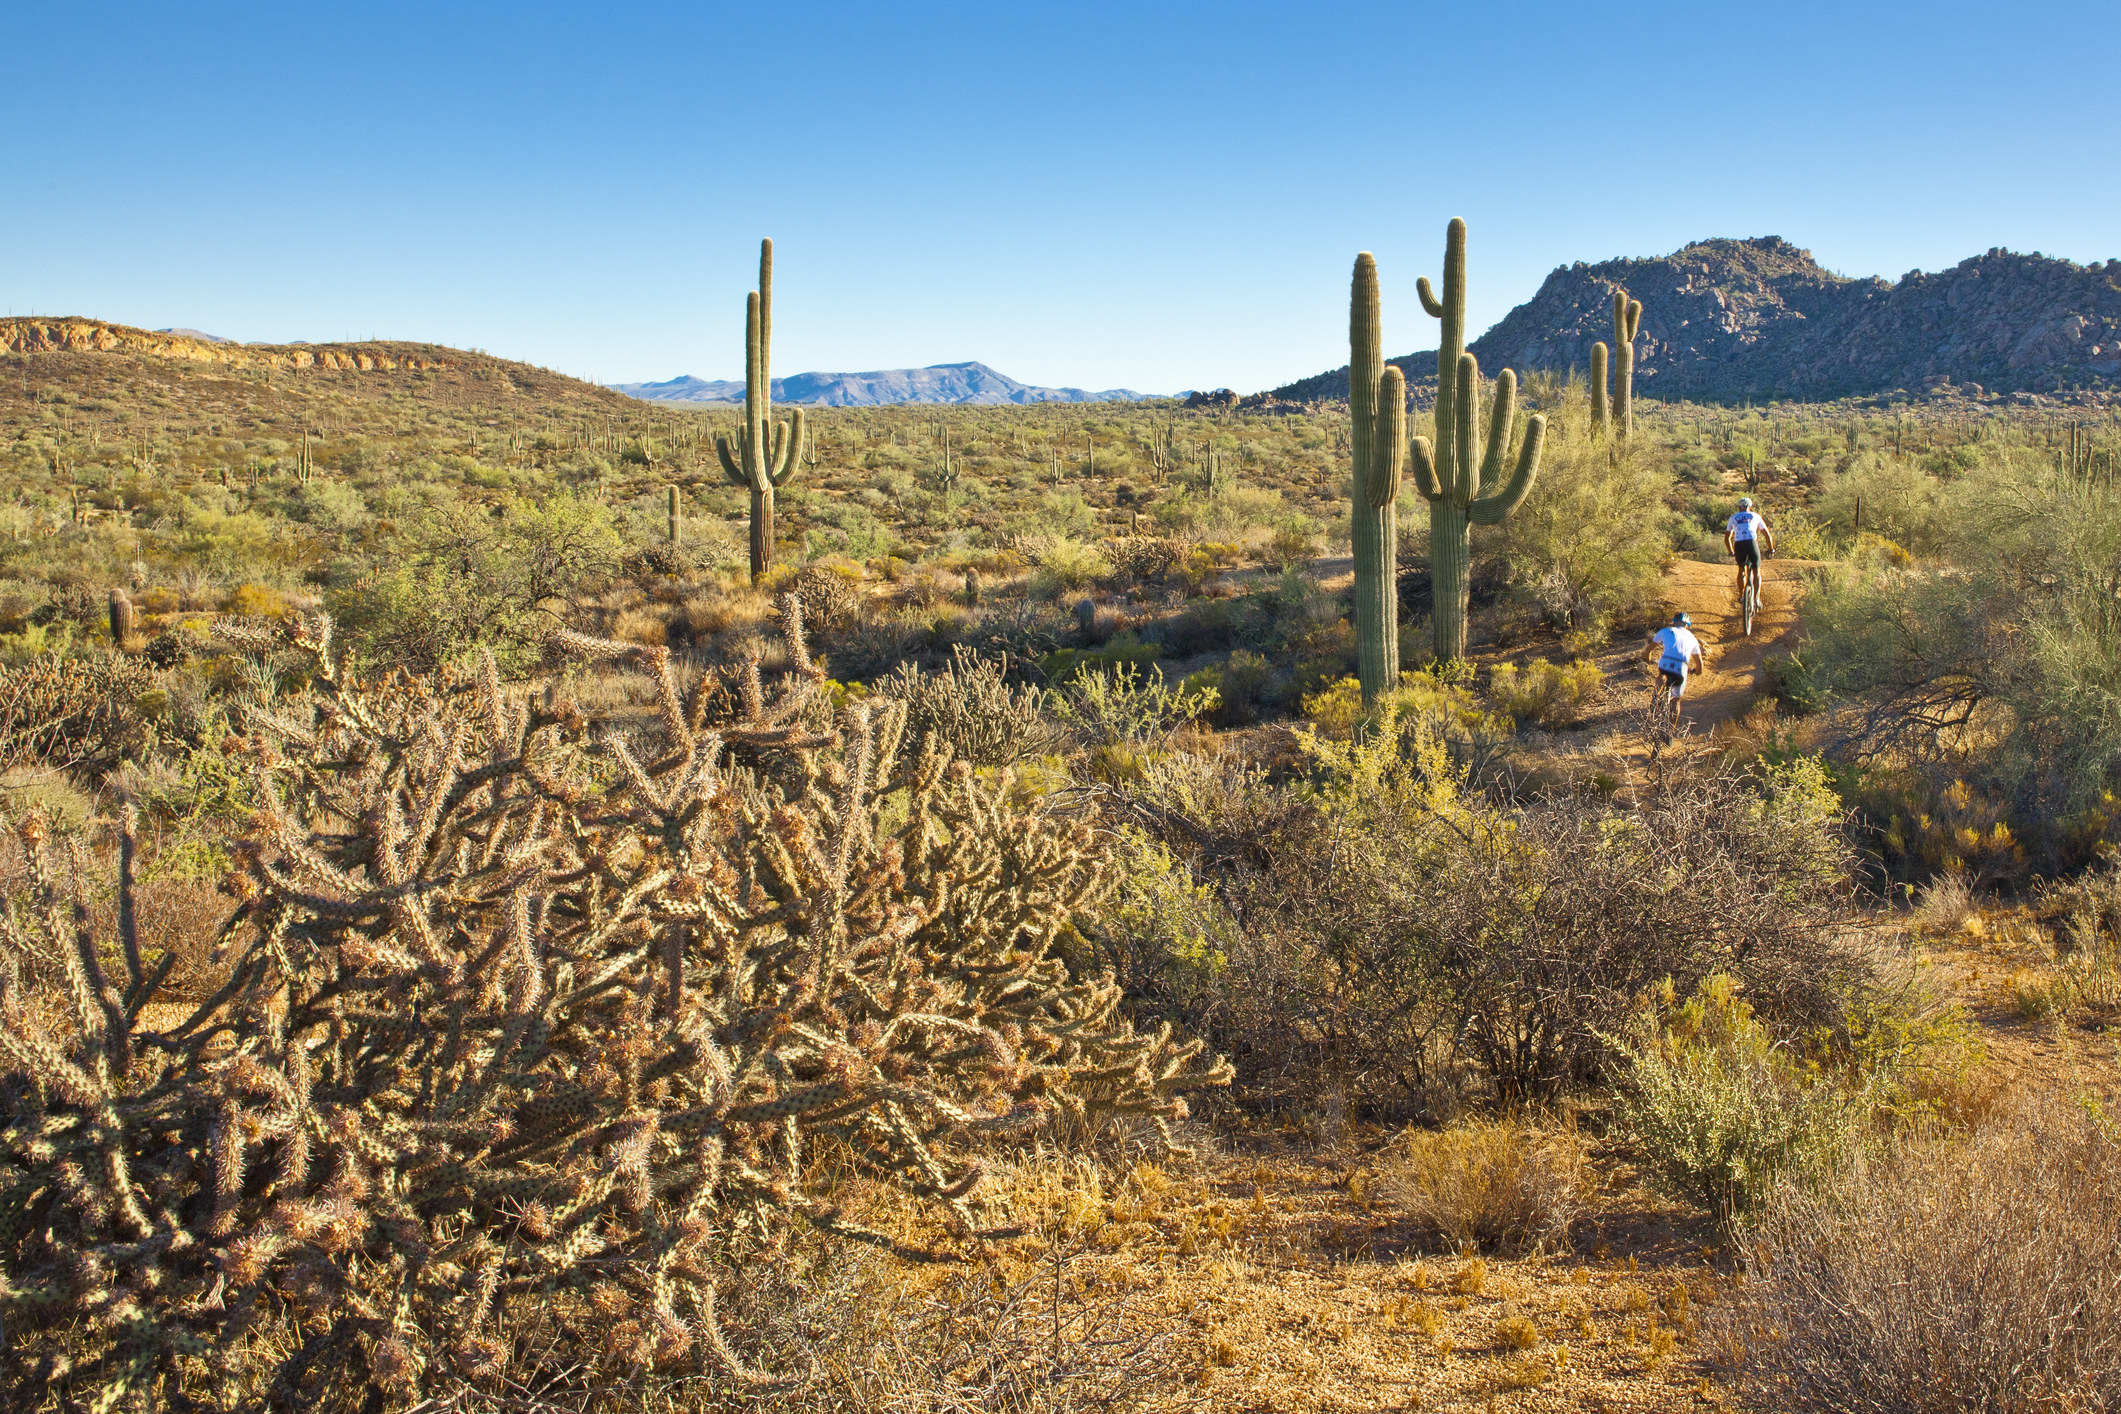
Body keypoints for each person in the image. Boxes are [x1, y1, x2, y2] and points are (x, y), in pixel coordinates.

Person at [1646, 611, 1706, 726]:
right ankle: (1670, 732)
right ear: (1687, 625)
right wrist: (1696, 671)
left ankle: (1655, 697)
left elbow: (1649, 649)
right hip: (1681, 668)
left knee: (1662, 673)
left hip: (1665, 662)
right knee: (1676, 700)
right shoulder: (1693, 638)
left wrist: (1648, 659)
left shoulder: (1665, 631)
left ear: (1674, 623)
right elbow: (1699, 664)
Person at [1723, 496, 1775, 601]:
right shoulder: (1755, 516)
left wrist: (1731, 551)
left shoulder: (1733, 517)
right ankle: (1756, 598)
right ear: (1750, 507)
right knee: (1756, 570)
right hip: (1751, 543)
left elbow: (1727, 537)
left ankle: (1741, 596)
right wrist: (1771, 549)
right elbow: (1767, 535)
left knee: (1741, 570)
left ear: (1739, 507)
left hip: (1739, 545)